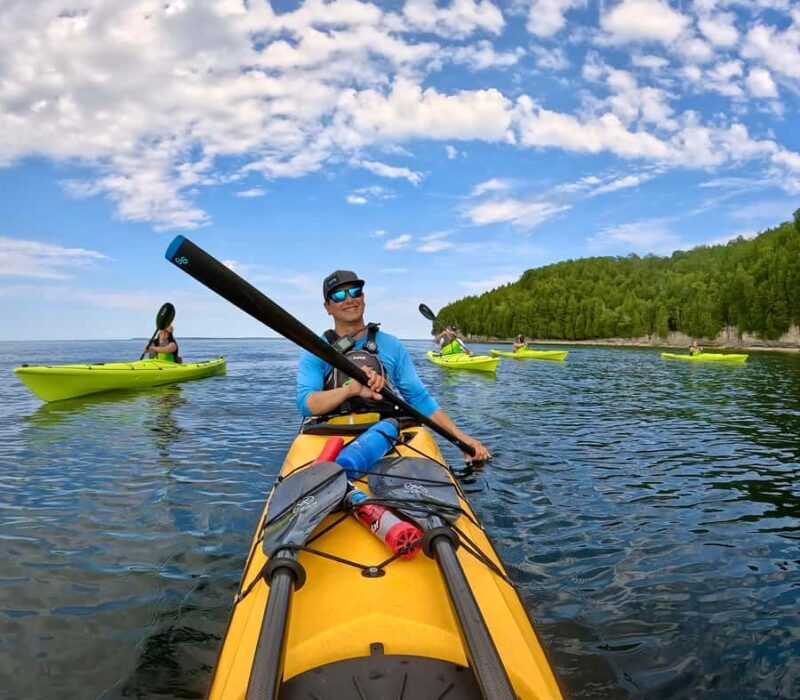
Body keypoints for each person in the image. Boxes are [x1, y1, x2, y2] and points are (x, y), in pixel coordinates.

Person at [296, 270, 490, 462]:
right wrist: (351, 390)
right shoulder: (316, 350)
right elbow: (306, 404)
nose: (349, 299)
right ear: (327, 307)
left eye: (355, 292)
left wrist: (462, 438)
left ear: (363, 298)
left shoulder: (391, 345)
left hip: (385, 432)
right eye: (338, 295)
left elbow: (418, 398)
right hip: (331, 433)